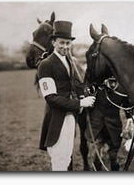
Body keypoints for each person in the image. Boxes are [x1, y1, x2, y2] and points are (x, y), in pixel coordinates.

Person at [38, 20, 95, 171]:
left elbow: (74, 85)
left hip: (70, 117)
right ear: (53, 42)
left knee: (67, 157)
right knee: (59, 162)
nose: (65, 47)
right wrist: (80, 104)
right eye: (61, 43)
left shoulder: (68, 61)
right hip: (56, 118)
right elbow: (51, 98)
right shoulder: (46, 65)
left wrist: (81, 97)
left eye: (68, 43)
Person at [85, 77, 133, 171]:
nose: (112, 84)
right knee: (95, 158)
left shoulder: (121, 89)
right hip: (96, 127)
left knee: (114, 158)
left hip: (113, 128)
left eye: (114, 81)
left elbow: (127, 106)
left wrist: (130, 119)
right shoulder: (96, 86)